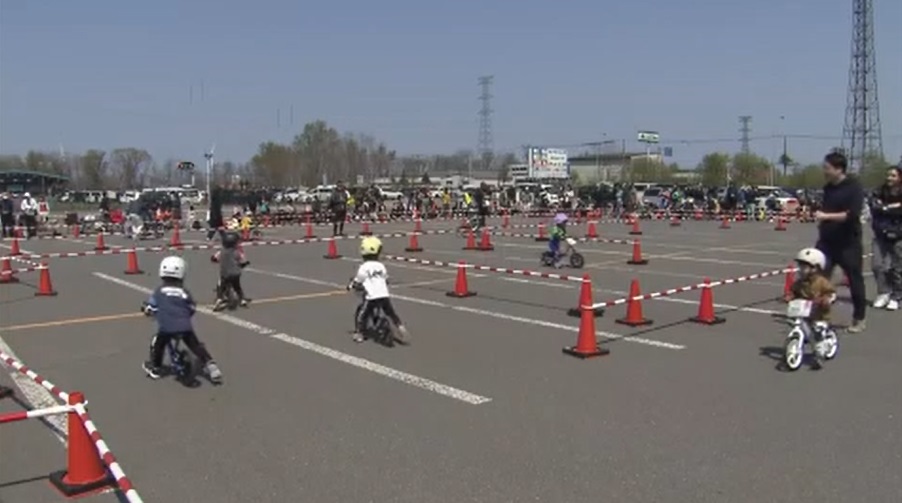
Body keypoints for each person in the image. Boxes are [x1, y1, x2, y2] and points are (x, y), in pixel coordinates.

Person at [142, 256, 223, 383]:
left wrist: (148, 310)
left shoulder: (159, 291)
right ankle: (210, 364)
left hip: (167, 327)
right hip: (185, 326)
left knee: (159, 344)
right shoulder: (184, 292)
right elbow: (191, 307)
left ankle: (156, 368)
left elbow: (151, 306)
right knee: (195, 345)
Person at [815, 151, 867, 332]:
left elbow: (851, 215)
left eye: (827, 168)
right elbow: (825, 209)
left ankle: (859, 318)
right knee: (817, 278)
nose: (825, 171)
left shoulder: (854, 187)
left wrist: (826, 216)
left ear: (839, 169)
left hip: (848, 243)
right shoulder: (828, 188)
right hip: (827, 241)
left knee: (854, 280)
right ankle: (819, 315)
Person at [348, 236, 410, 344]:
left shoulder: (364, 267)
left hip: (371, 296)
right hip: (384, 294)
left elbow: (358, 280)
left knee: (362, 315)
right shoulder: (381, 266)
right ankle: (400, 327)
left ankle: (359, 334)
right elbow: (386, 278)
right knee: (390, 312)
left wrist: (351, 286)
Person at [784, 247, 838, 364]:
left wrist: (825, 299)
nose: (801, 269)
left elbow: (831, 293)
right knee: (797, 324)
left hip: (819, 314)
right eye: (800, 266)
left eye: (804, 267)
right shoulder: (800, 283)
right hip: (804, 312)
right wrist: (789, 296)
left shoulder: (822, 282)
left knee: (818, 332)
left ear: (815, 268)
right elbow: (794, 292)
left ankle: (819, 354)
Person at [869, 164, 902, 311]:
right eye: (888, 175)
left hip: (898, 234)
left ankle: (897, 296)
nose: (890, 178)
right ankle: (883, 292)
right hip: (880, 233)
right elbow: (874, 206)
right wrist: (890, 207)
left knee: (896, 267)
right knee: (877, 265)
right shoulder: (879, 190)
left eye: (893, 175)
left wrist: (887, 208)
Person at [211, 231, 250, 310]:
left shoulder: (221, 251)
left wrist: (214, 259)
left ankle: (219, 299)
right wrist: (244, 264)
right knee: (237, 286)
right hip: (236, 273)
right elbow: (243, 261)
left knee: (221, 286)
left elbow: (214, 258)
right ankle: (242, 299)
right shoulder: (237, 252)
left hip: (225, 273)